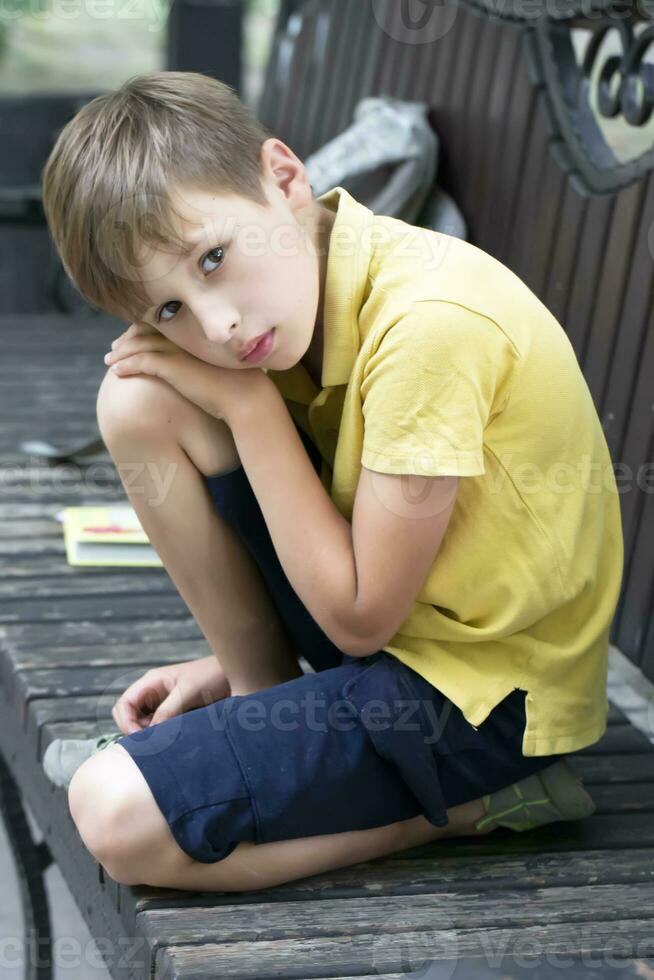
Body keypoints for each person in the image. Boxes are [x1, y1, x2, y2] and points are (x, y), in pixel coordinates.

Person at [40, 70, 622, 893]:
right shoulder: (287, 302)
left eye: (212, 258)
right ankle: (259, 697)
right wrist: (237, 678)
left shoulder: (428, 326)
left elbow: (356, 622)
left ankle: (476, 805)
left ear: (284, 177)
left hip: (488, 699)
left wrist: (249, 410)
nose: (218, 324)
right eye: (167, 309)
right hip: (382, 628)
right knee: (138, 397)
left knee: (116, 817)